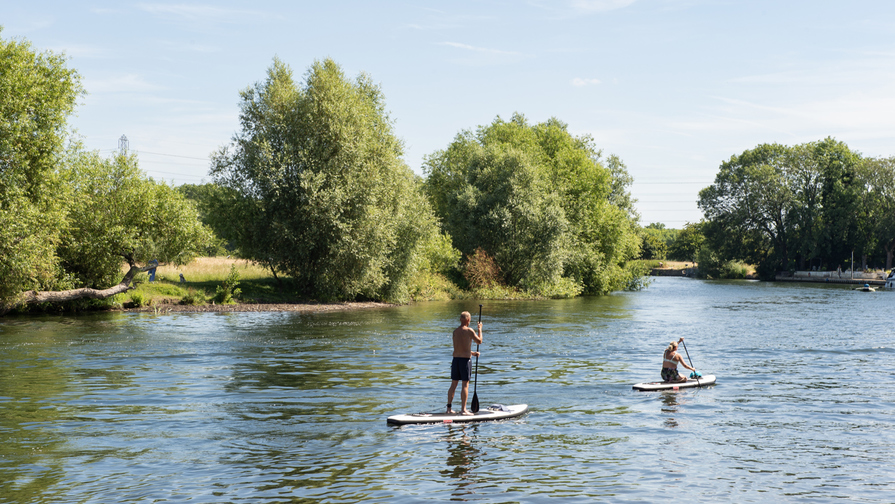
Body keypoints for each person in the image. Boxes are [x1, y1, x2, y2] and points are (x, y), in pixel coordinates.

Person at [447, 311, 483, 415]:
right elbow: (479, 341)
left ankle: (449, 409)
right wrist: (480, 329)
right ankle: (464, 410)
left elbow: (459, 348)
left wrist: (472, 353)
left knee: (453, 384)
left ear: (460, 320)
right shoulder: (469, 331)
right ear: (468, 320)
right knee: (465, 385)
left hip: (455, 360)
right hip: (465, 361)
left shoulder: (455, 331)